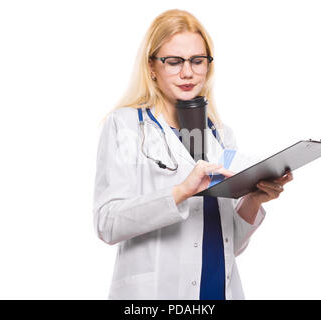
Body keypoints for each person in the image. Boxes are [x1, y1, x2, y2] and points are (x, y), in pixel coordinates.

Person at [92, 9, 293, 300]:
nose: (187, 72)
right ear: (152, 66)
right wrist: (180, 192)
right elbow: (106, 223)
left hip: (217, 291)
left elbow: (228, 244)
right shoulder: (126, 126)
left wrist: (253, 200)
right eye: (173, 62)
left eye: (197, 61)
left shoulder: (221, 135)